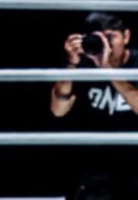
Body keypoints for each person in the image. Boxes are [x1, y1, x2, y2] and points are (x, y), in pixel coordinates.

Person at [51, 12, 138, 199]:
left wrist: (108, 70)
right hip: (97, 164)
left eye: (110, 37)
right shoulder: (82, 65)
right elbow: (58, 109)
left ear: (126, 36)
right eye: (100, 39)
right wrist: (71, 65)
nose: (105, 45)